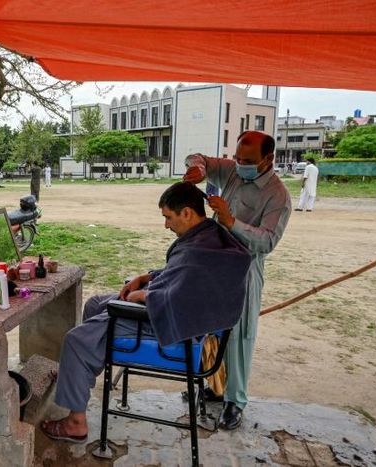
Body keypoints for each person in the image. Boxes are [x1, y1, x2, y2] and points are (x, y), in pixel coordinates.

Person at [40, 182, 252, 443]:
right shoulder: (208, 236)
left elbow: (180, 296)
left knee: (75, 339)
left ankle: (75, 423)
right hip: (176, 310)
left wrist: (145, 296)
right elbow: (182, 277)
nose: (166, 225)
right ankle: (79, 371)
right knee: (95, 304)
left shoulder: (199, 250)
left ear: (187, 213)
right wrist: (147, 277)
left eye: (168, 217)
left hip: (175, 326)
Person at [183, 130, 291, 430]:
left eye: (248, 160)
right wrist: (199, 168)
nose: (240, 164)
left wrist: (231, 221)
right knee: (210, 329)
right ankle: (216, 386)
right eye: (237, 158)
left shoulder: (277, 195)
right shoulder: (232, 170)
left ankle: (235, 400)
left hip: (245, 268)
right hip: (215, 261)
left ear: (268, 159)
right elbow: (200, 157)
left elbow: (267, 241)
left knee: (240, 335)